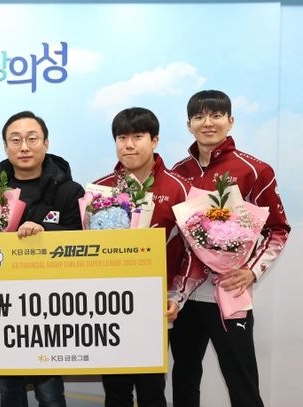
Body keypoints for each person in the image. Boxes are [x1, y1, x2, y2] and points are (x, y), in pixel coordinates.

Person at [170, 90, 290, 407]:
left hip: (228, 293)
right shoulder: (178, 173)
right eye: (199, 117)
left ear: (230, 121)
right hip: (183, 298)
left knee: (242, 384)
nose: (207, 123)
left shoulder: (255, 170)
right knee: (183, 381)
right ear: (189, 125)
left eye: (216, 115)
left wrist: (252, 271)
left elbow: (277, 229)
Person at [92, 107, 201, 407]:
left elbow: (196, 251)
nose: (128, 145)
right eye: (121, 138)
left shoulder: (180, 187)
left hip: (157, 306)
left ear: (155, 140)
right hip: (110, 307)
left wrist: (177, 295)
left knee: (152, 390)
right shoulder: (100, 189)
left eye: (138, 137)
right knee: (115, 391)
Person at [0, 111, 85, 407]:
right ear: (5, 147)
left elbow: (82, 240)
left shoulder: (70, 190)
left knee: (51, 395)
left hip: (52, 309)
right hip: (3, 309)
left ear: (46, 143)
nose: (24, 147)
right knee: (9, 393)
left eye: (32, 139)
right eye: (15, 140)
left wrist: (45, 232)